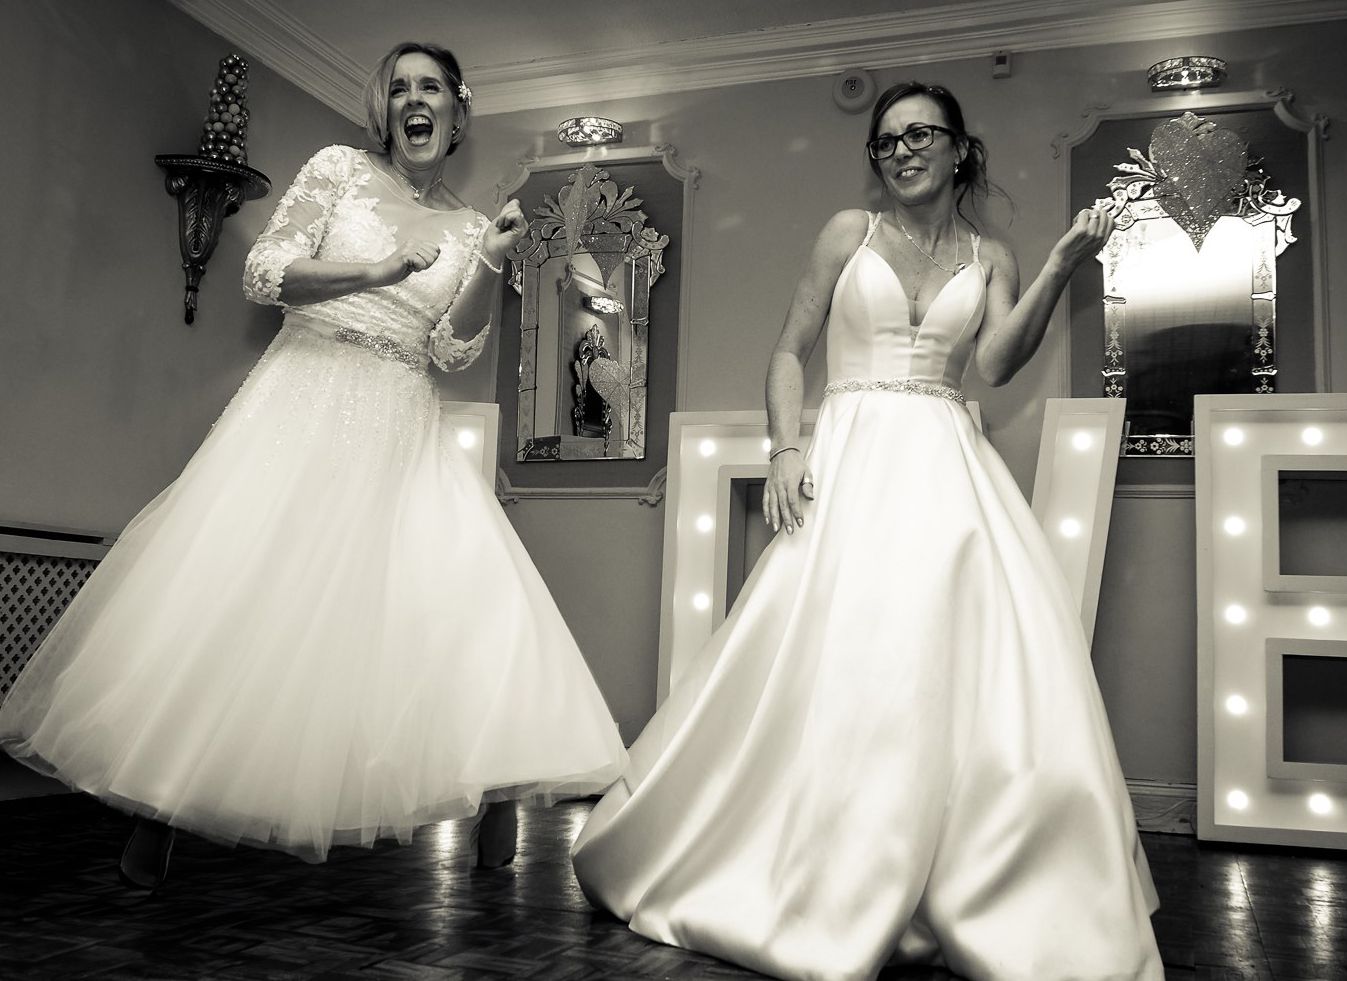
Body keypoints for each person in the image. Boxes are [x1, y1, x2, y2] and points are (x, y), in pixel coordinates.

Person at [571, 81, 1162, 980]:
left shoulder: (992, 255)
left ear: (959, 149)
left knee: (949, 664)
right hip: (849, 457)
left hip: (947, 467)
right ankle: (807, 865)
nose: (902, 151)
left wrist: (1056, 268)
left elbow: (996, 362)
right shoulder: (848, 233)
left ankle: (960, 874)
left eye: (920, 134)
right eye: (886, 141)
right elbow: (788, 349)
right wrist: (784, 447)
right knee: (827, 655)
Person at [0, 42, 625, 888]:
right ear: (383, 109)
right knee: (236, 591)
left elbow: (453, 348)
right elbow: (264, 273)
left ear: (457, 111)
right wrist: (376, 269)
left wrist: (488, 259)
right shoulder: (338, 169)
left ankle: (498, 781)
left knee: (453, 599)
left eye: (430, 87)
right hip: (300, 397)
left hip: (400, 414)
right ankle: (158, 802)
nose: (413, 99)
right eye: (398, 88)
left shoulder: (470, 225)